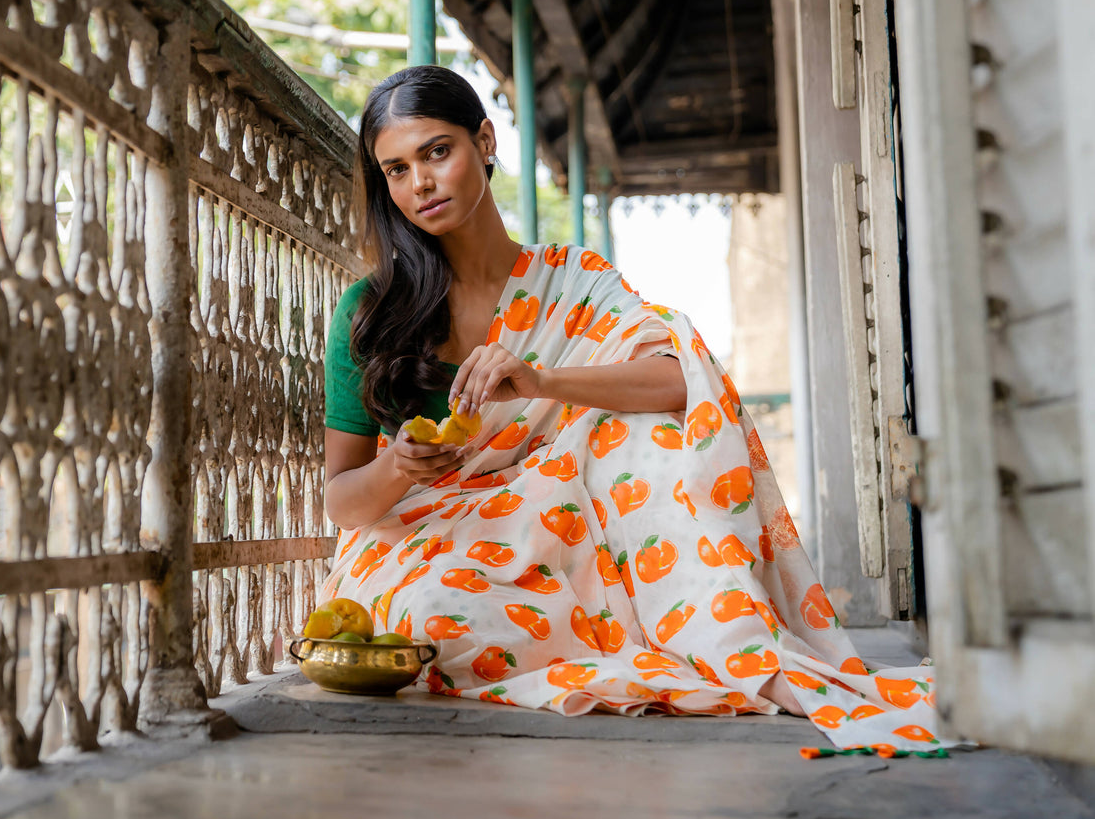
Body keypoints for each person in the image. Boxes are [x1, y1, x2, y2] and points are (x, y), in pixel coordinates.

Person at [320, 65, 940, 753]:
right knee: (438, 627)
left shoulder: (572, 280)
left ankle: (706, 635)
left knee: (636, 431)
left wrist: (542, 380)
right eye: (396, 169)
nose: (420, 184)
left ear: (485, 141)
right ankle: (589, 632)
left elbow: (678, 383)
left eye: (437, 151)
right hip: (429, 544)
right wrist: (401, 467)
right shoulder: (370, 314)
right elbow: (344, 500)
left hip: (565, 533)